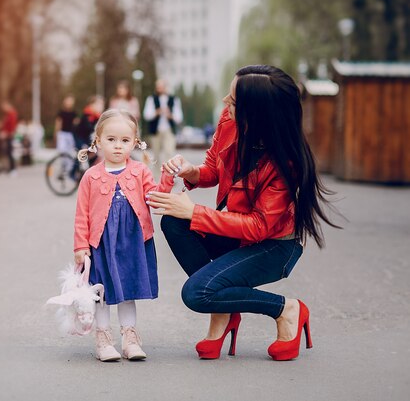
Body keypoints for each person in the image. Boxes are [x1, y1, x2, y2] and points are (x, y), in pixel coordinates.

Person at [147, 65, 340, 361]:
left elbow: (259, 227)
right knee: (174, 221)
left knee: (196, 293)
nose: (226, 101)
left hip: (274, 246)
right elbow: (214, 169)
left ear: (258, 112)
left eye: (234, 101)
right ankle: (223, 310)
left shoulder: (285, 163)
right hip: (237, 235)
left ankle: (287, 309)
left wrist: (195, 211)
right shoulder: (230, 122)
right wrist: (192, 172)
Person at [74, 109, 175, 362]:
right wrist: (80, 246)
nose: (118, 146)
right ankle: (103, 339)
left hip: (132, 242)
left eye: (125, 140)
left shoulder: (140, 171)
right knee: (103, 292)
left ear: (135, 141)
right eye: (111, 139)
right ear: (97, 140)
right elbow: (82, 214)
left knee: (127, 290)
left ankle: (130, 338)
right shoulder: (91, 176)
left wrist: (167, 179)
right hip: (101, 243)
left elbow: (154, 200)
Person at [142, 79, 183, 164]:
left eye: (161, 86)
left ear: (166, 87)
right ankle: (157, 176)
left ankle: (168, 175)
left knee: (169, 153)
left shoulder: (174, 99)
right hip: (155, 130)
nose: (159, 88)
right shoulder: (151, 99)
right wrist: (156, 112)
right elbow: (146, 115)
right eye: (158, 86)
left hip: (169, 129)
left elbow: (179, 118)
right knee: (156, 155)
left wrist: (170, 115)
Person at [0, 100, 19, 176]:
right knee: (7, 152)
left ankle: (13, 169)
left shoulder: (12, 114)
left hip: (9, 136)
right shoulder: (7, 115)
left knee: (10, 152)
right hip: (7, 135)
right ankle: (9, 169)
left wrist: (7, 134)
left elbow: (12, 127)